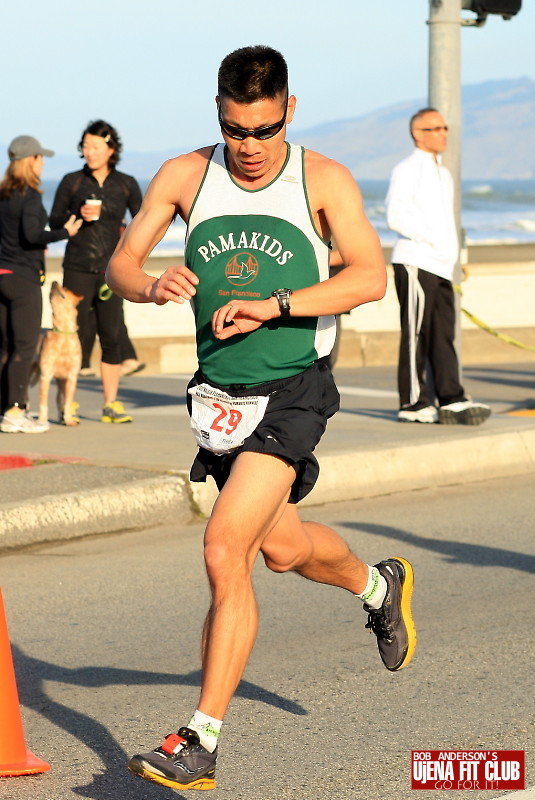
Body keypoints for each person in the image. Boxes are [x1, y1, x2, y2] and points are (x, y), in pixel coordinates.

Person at [107, 46, 417, 792]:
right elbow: (120, 264)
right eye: (236, 129)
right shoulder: (185, 175)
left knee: (225, 550)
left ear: (289, 111)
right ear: (219, 114)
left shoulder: (322, 179)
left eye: (265, 129)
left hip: (294, 388)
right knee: (281, 549)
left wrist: (276, 305)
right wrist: (152, 286)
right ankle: (379, 588)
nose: (250, 146)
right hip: (219, 395)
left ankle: (199, 741)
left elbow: (369, 276)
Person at [385, 108, 491, 425]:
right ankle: (412, 403)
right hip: (416, 262)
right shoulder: (406, 169)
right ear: (418, 134)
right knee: (416, 333)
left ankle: (451, 397)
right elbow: (395, 216)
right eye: (436, 128)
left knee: (443, 334)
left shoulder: (444, 173)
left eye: (445, 128)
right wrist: (431, 240)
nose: (444, 133)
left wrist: (452, 254)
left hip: (442, 267)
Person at [50, 120, 143, 422]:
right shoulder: (72, 182)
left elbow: (143, 221)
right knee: (74, 335)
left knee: (111, 335)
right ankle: (69, 403)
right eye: (85, 146)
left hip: (112, 270)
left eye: (95, 147)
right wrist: (77, 213)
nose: (89, 152)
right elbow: (54, 221)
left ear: (111, 149)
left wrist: (130, 252)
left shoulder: (126, 183)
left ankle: (111, 403)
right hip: (77, 267)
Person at [0, 136, 81, 434]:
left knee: (6, 347)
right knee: (24, 347)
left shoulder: (3, 195)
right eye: (40, 157)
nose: (43, 162)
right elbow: (32, 235)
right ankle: (15, 411)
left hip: (2, 275)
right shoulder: (30, 196)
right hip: (23, 279)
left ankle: (5, 409)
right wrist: (64, 232)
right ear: (31, 160)